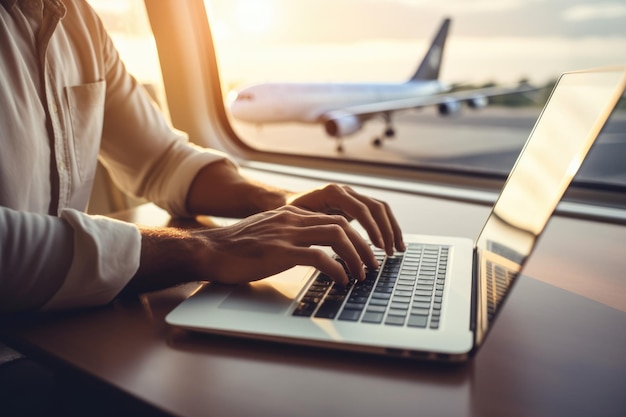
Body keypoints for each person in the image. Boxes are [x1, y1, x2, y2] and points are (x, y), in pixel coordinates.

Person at [0, 0, 405, 414]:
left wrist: (277, 203)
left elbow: (162, 160)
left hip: (57, 325)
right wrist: (205, 248)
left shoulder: (79, 20)